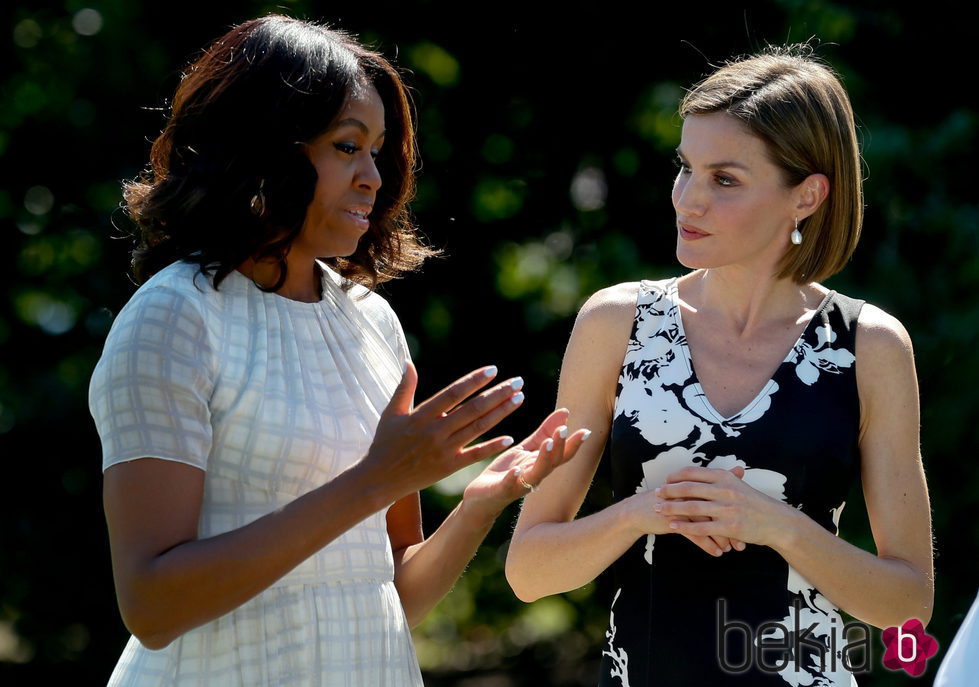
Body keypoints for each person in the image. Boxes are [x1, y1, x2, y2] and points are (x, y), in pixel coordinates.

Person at [89, 15, 589, 686]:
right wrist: (376, 479)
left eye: (378, 150)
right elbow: (151, 604)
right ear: (262, 149)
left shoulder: (370, 321)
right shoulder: (175, 317)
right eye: (346, 146)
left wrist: (477, 505)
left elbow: (391, 596)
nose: (373, 177)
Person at [506, 46, 934, 686]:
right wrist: (642, 512)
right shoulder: (615, 323)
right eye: (685, 168)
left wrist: (778, 526)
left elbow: (908, 606)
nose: (688, 199)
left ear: (808, 196)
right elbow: (529, 571)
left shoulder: (870, 346)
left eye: (724, 179)